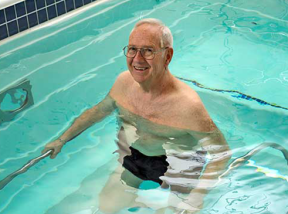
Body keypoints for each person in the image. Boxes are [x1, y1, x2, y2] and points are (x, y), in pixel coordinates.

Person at [42, 18, 231, 214]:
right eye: (132, 49)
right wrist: (62, 139)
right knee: (106, 207)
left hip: (180, 166)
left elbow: (221, 153)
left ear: (167, 56)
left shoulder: (187, 106)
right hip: (137, 156)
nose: (137, 59)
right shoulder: (123, 83)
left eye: (148, 50)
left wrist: (196, 197)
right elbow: (98, 111)